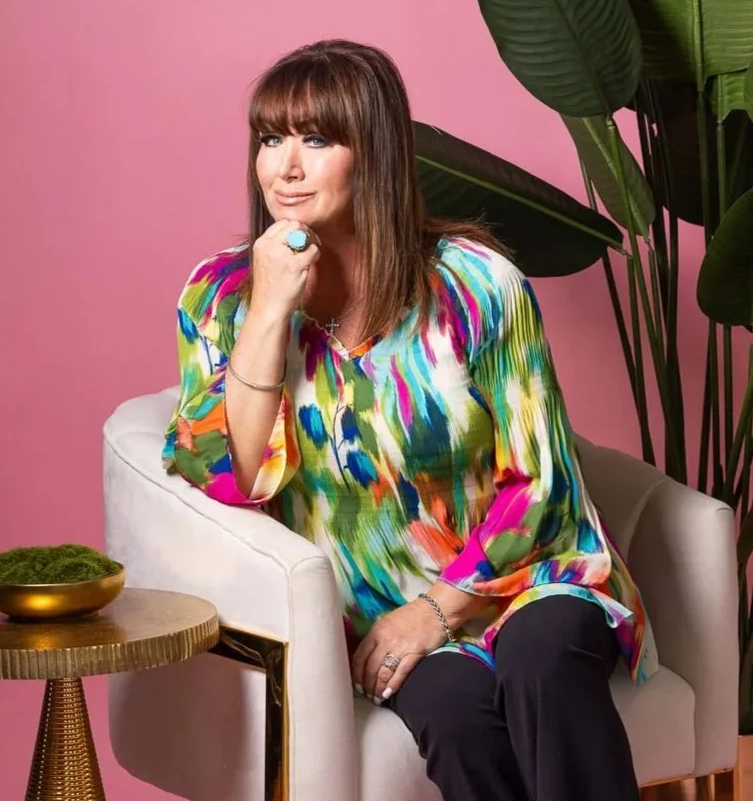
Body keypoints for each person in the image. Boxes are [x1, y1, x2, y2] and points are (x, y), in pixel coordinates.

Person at [163, 39, 657, 801]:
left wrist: (435, 611)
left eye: (317, 140)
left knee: (541, 660)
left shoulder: (473, 284)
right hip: (376, 608)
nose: (284, 167)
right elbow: (228, 479)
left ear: (375, 155)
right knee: (457, 721)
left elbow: (540, 483)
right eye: (270, 139)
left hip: (527, 578)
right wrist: (267, 311)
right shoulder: (220, 296)